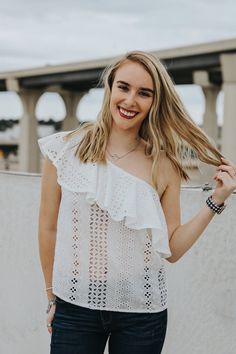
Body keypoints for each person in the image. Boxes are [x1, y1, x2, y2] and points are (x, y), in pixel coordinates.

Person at [37, 50, 236, 354]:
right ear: (110, 88)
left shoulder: (163, 165)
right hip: (74, 306)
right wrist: (52, 295)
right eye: (124, 87)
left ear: (155, 102)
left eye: (144, 93)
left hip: (141, 314)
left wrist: (215, 201)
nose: (130, 101)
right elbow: (48, 227)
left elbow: (171, 249)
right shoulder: (65, 150)